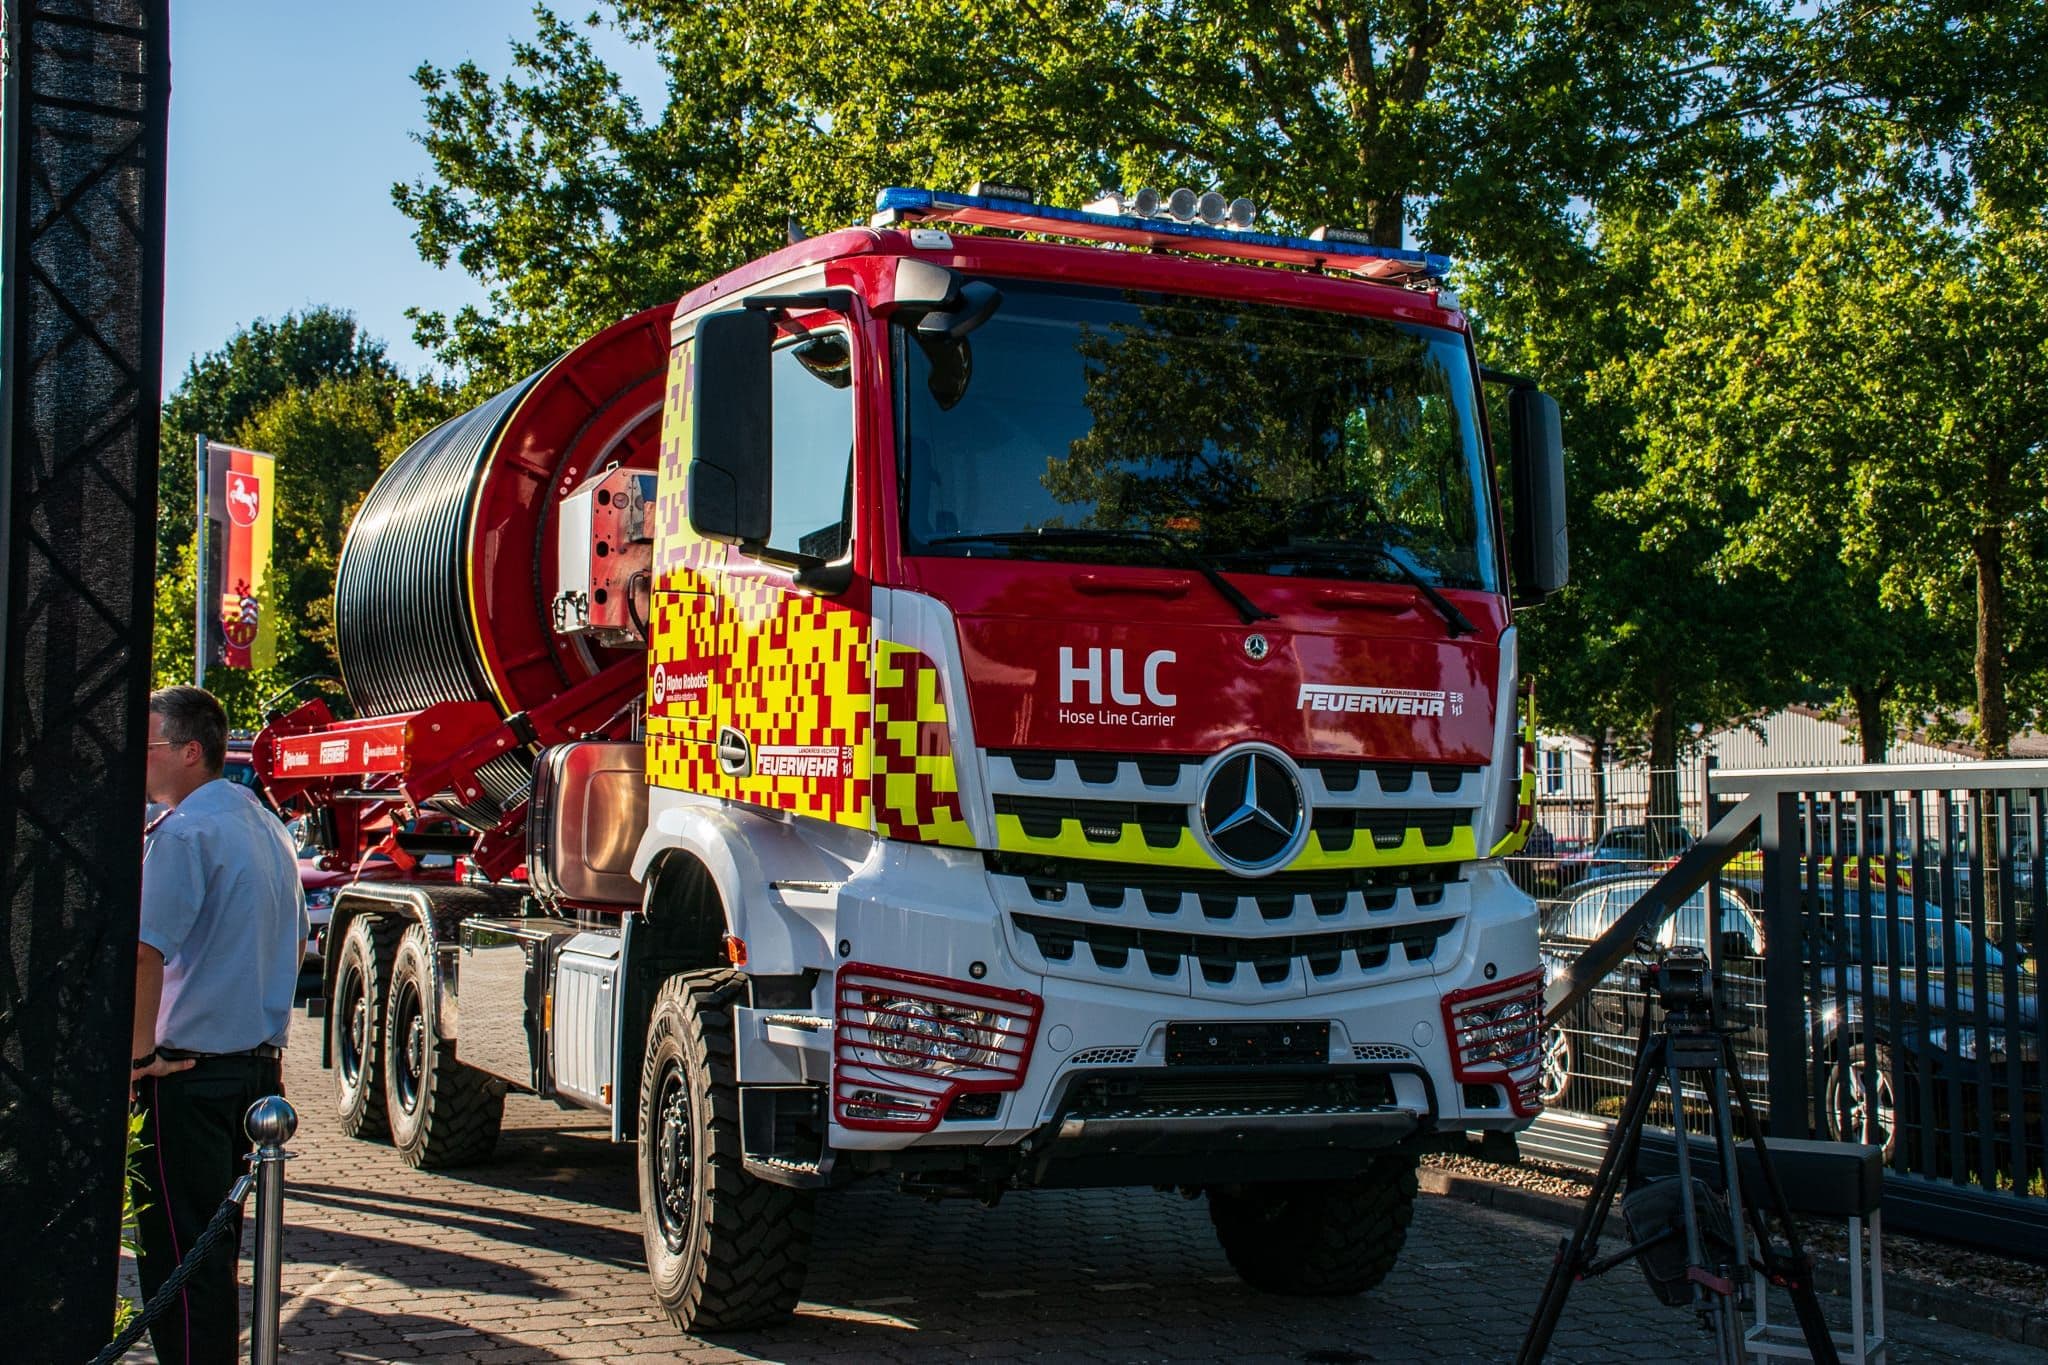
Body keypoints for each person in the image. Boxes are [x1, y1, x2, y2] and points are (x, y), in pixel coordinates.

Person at [130, 685, 307, 1365]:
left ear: (189, 751)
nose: (139, 758)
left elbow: (145, 951)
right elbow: (294, 943)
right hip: (254, 1071)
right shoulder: (264, 825)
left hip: (187, 1075)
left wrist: (137, 1059)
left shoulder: (186, 832)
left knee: (181, 1259)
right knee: (214, 1252)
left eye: (148, 743)